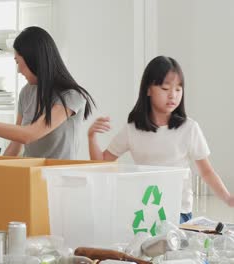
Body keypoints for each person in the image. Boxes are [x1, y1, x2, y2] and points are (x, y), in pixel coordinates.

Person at [88, 55, 234, 223]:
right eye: (165, 88)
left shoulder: (189, 128)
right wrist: (92, 137)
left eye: (178, 89)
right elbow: (101, 163)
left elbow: (206, 172)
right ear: (148, 90)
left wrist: (227, 198)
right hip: (143, 212)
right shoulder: (132, 130)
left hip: (178, 212)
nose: (173, 95)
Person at [0, 26, 95, 159]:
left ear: (35, 60)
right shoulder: (27, 92)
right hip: (29, 176)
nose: (18, 70)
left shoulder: (71, 96)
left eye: (18, 62)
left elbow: (28, 135)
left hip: (59, 181)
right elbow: (16, 145)